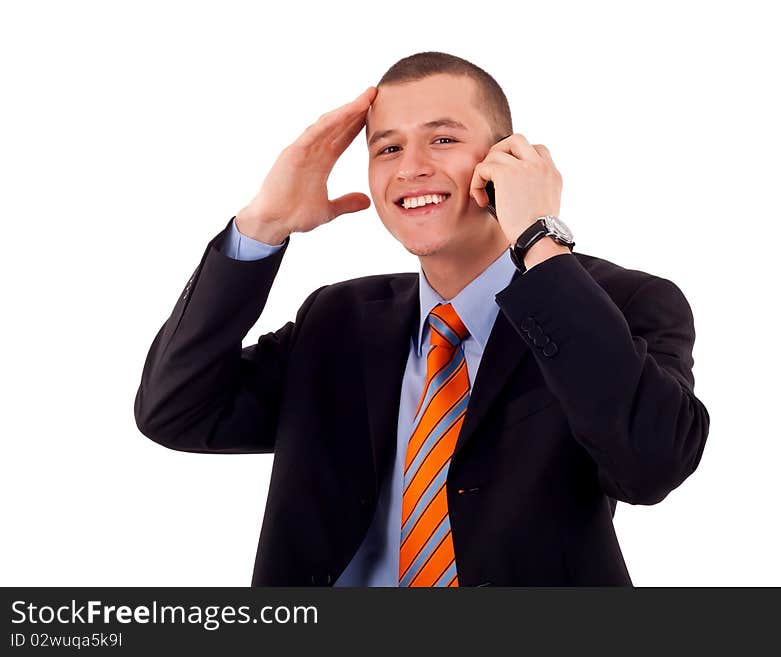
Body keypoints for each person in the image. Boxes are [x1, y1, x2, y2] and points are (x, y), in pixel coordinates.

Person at [134, 51, 710, 587]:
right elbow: (176, 412)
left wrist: (538, 239)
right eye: (387, 149)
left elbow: (652, 465)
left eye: (442, 139)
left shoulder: (622, 304)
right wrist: (262, 225)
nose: (410, 168)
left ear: (506, 160)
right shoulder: (338, 319)